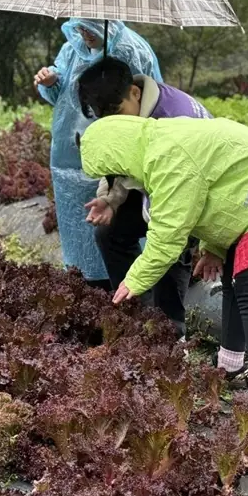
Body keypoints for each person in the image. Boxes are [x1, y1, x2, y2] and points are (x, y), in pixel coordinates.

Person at [80, 115, 248, 395]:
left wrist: (134, 281)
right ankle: (230, 365)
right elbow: (221, 192)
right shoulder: (158, 146)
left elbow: (168, 236)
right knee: (234, 285)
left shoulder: (169, 160)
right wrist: (213, 249)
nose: (125, 182)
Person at [76, 56, 212, 337]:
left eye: (117, 112)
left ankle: (170, 332)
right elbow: (121, 158)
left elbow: (181, 197)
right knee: (109, 233)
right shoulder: (131, 112)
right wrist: (110, 200)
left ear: (134, 93)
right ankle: (134, 312)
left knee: (169, 250)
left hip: (197, 196)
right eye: (105, 119)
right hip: (160, 188)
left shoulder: (174, 115)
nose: (113, 123)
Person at [34, 19, 161, 287]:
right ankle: (89, 284)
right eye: (79, 28)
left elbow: (148, 100)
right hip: (72, 154)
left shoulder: (132, 50)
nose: (84, 35)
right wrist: (51, 81)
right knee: (81, 223)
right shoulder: (71, 49)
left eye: (89, 28)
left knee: (122, 222)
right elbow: (62, 95)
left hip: (120, 152)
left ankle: (132, 288)